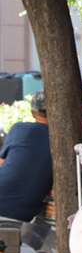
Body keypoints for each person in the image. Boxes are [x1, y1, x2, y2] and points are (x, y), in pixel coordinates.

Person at [0, 93, 52, 222]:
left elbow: (2, 163)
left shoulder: (19, 129)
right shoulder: (64, 140)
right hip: (25, 212)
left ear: (33, 112)